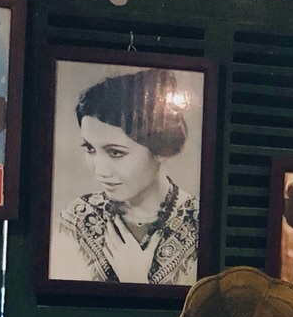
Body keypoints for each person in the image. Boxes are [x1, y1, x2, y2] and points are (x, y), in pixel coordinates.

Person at [54, 70, 199, 287]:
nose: (100, 171)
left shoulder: (198, 224)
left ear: (160, 149)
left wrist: (136, 280)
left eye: (115, 152)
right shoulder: (77, 219)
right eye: (90, 148)